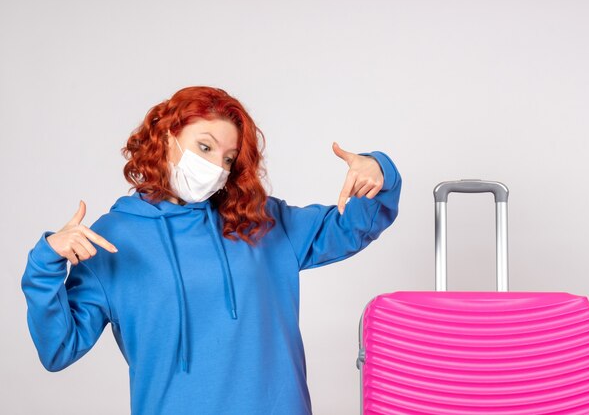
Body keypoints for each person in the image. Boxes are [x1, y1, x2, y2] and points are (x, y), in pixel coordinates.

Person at [20, 85, 402, 415]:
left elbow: (353, 227)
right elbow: (59, 348)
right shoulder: (113, 239)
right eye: (204, 146)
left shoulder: (259, 220)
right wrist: (46, 262)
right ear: (168, 137)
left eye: (228, 158)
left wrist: (379, 173)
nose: (216, 167)